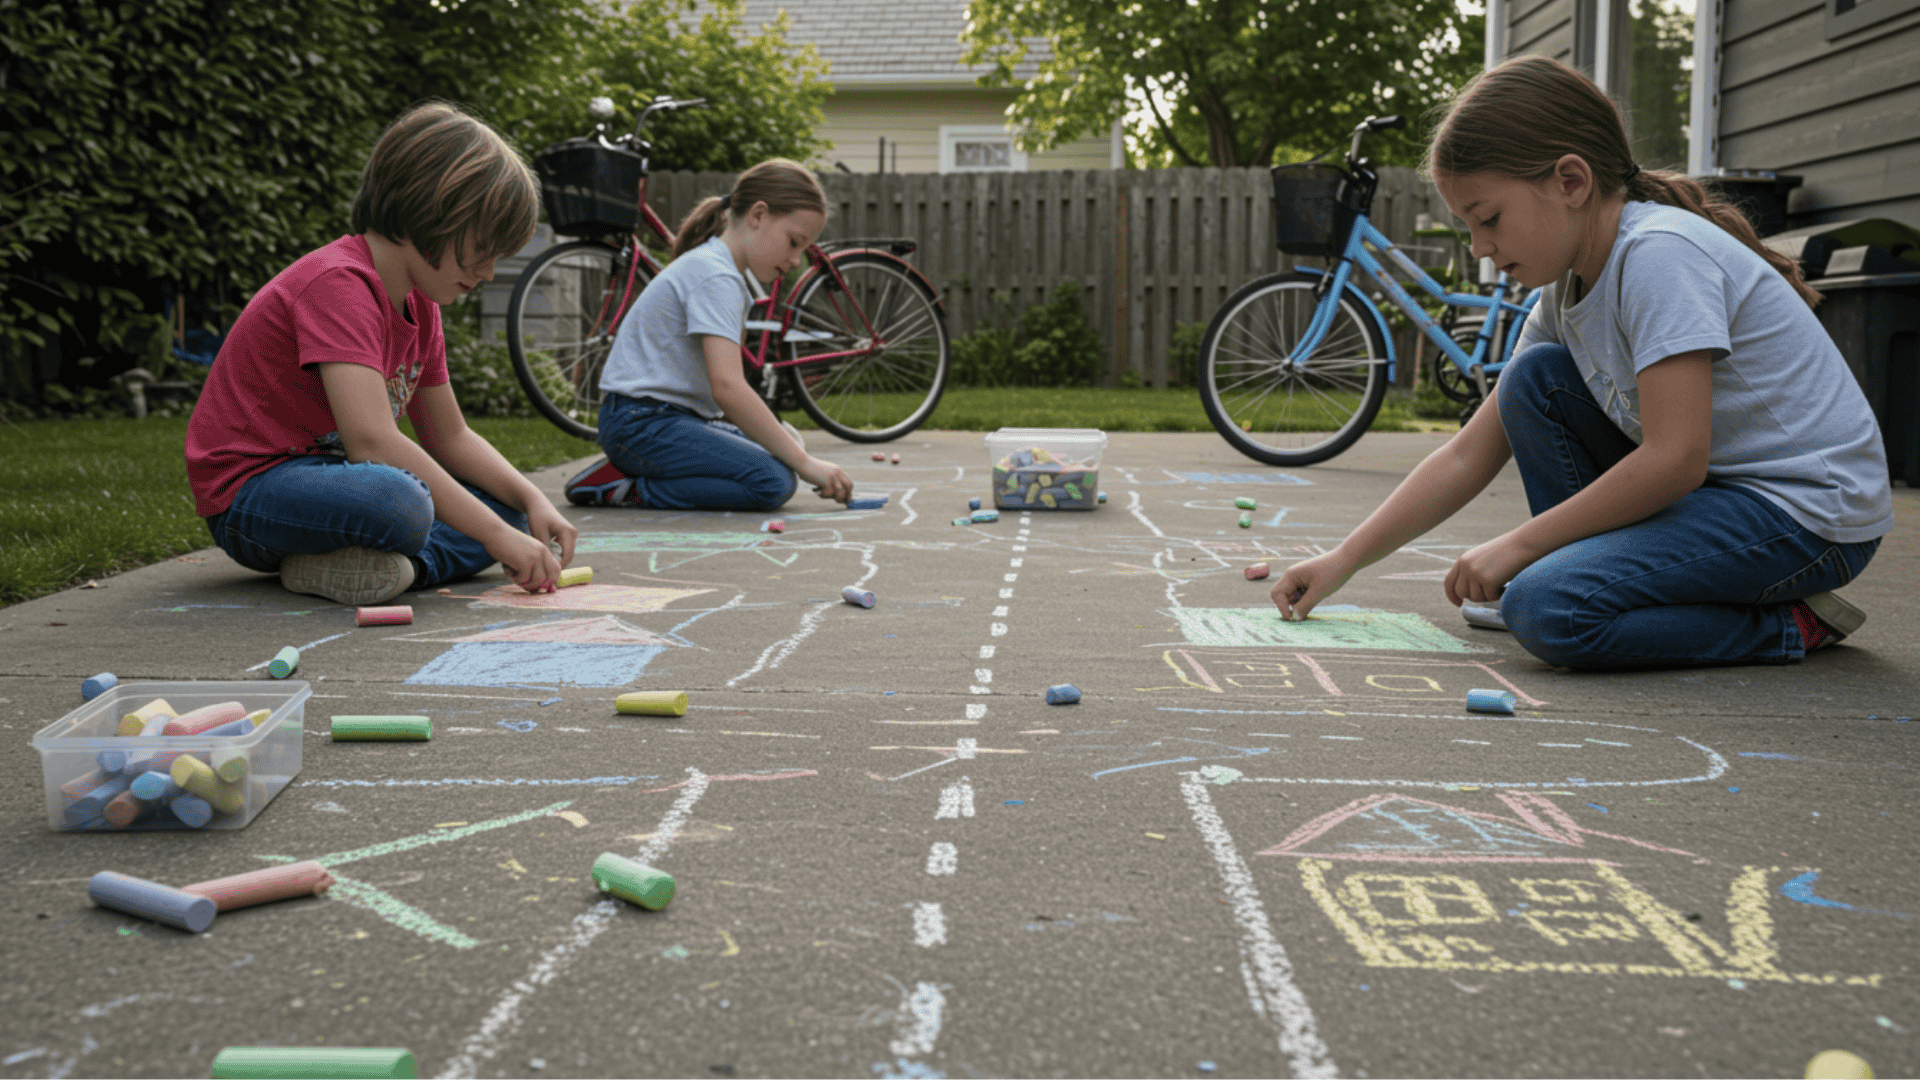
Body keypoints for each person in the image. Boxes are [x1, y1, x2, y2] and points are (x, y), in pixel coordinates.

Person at [1270, 55, 1892, 669]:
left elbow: (1676, 459)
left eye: (1489, 219)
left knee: (1550, 610)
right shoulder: (1561, 295)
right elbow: (1466, 453)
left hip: (1806, 516)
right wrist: (1343, 560)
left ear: (1571, 182)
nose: (1480, 248)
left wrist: (1520, 547)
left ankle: (1791, 625)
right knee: (1533, 380)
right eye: (1468, 227)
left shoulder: (1658, 256)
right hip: (1721, 498)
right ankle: (1579, 578)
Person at [186, 102, 575, 606]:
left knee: (508, 511)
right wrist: (496, 537)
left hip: (339, 485)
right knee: (401, 502)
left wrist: (530, 498)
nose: (488, 272)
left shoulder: (421, 303)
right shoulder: (339, 284)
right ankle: (399, 555)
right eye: (483, 248)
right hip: (253, 495)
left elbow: (451, 436)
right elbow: (371, 441)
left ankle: (393, 570)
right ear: (428, 212)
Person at [563, 159, 853, 511]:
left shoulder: (718, 269)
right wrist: (805, 464)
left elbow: (724, 395)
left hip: (657, 421)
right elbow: (728, 388)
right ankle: (625, 486)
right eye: (794, 242)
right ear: (758, 215)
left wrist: (785, 447)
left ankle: (631, 470)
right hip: (640, 424)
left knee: (782, 449)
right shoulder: (716, 277)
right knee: (773, 481)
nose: (796, 260)